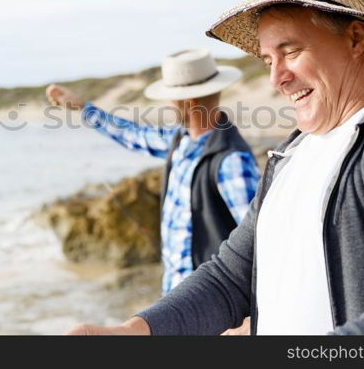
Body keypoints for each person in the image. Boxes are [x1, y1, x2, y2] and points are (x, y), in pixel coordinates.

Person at [65, 0, 364, 335]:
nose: (276, 79)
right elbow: (229, 278)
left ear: (355, 39)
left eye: (291, 52)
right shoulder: (295, 151)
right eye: (269, 60)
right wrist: (135, 331)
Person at [45, 49, 260, 299]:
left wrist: (247, 317)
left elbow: (260, 241)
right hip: (177, 297)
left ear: (187, 103)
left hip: (210, 302)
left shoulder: (231, 161)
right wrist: (83, 108)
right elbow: (132, 135)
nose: (169, 105)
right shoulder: (180, 141)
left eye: (170, 99)